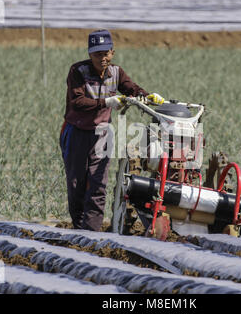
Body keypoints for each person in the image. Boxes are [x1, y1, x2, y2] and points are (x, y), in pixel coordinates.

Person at [60, 29, 165, 231]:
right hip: (77, 132)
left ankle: (92, 232)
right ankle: (80, 228)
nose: (102, 58)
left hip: (102, 133)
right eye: (97, 54)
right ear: (89, 54)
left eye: (106, 53)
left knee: (98, 184)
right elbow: (77, 101)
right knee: (76, 184)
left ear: (112, 53)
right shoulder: (78, 72)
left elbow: (130, 89)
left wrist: (148, 96)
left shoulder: (116, 73)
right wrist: (106, 102)